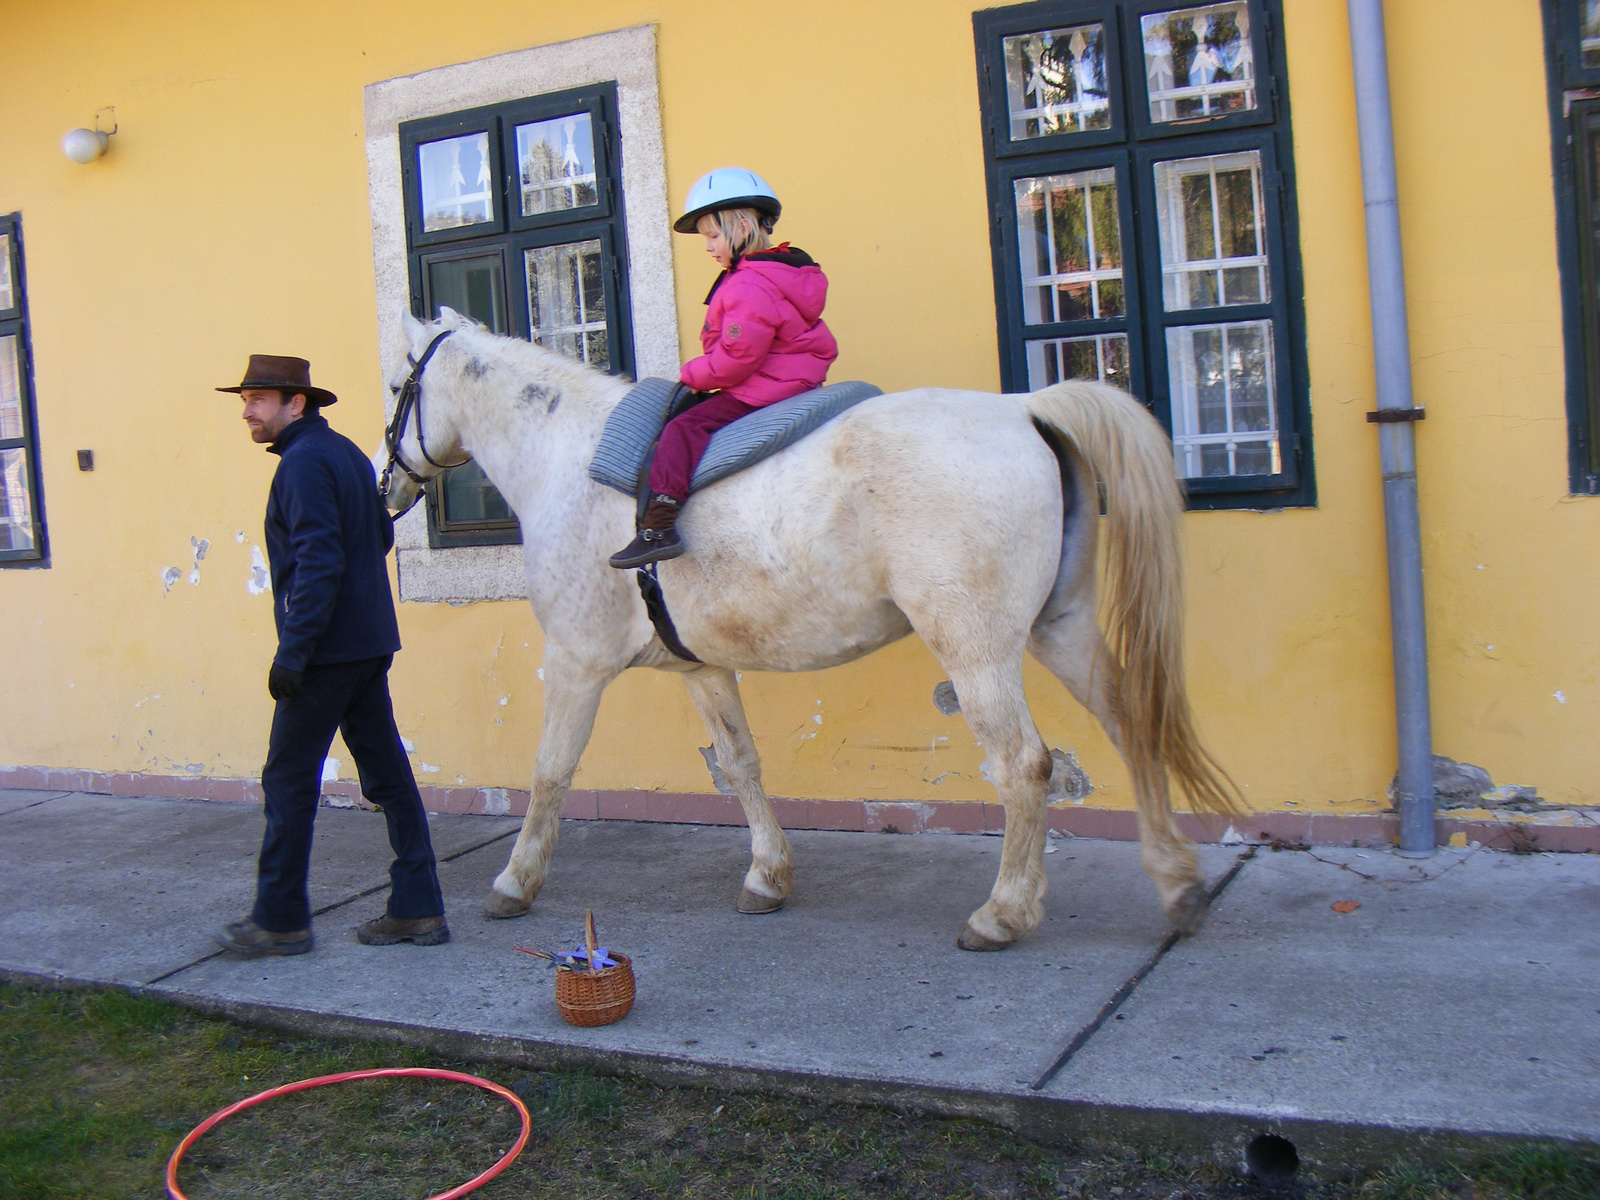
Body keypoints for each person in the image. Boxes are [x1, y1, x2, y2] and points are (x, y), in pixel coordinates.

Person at [214, 355, 447, 956]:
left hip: (325, 652)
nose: (247, 411)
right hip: (367, 643)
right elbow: (381, 533)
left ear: (297, 403)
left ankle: (281, 919)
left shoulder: (302, 464)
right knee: (388, 775)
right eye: (245, 399)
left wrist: (294, 652)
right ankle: (417, 907)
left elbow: (318, 560)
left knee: (288, 780)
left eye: (258, 399)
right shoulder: (343, 453)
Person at [610, 168, 838, 568]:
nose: (708, 247)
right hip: (792, 380)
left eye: (713, 236)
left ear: (744, 227)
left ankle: (658, 526)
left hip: (763, 388)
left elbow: (735, 360)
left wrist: (691, 373)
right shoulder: (785, 271)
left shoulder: (748, 284)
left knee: (683, 428)